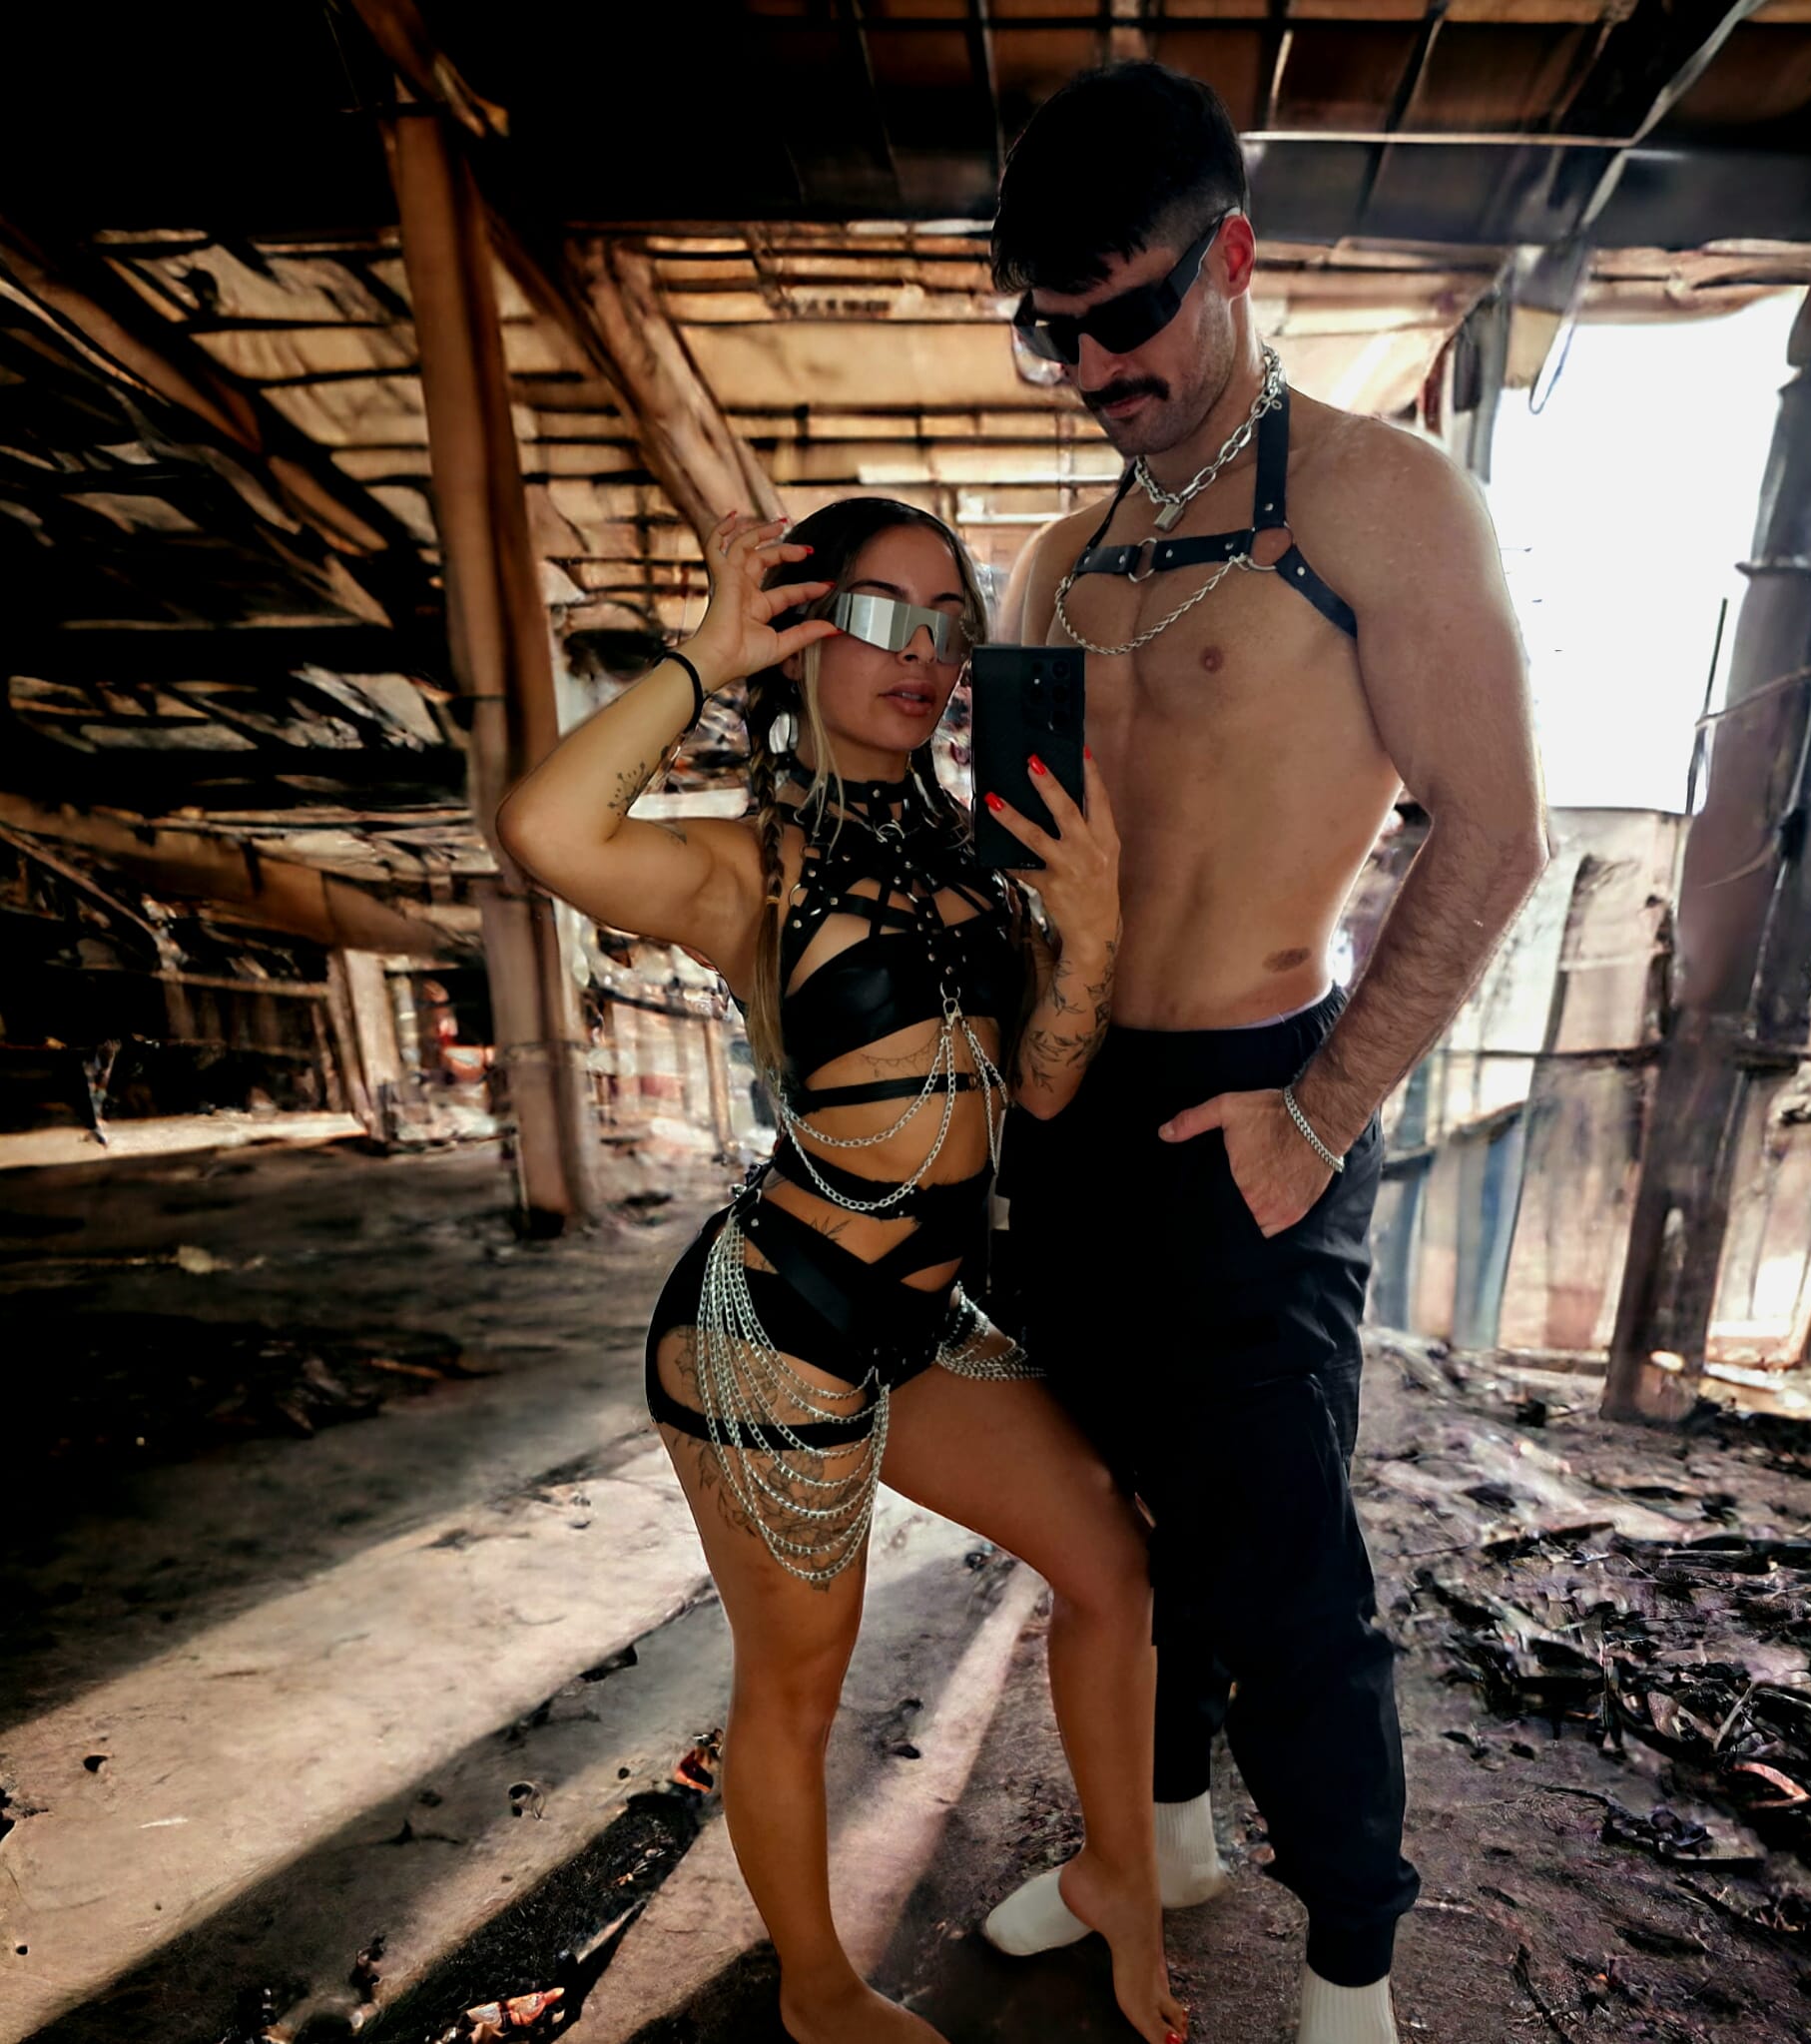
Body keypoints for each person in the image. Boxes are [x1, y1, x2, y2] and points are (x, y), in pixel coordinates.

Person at [980, 63, 1549, 2044]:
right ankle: (1158, 1844)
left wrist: (1319, 1115)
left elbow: (1494, 833)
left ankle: (1353, 1962)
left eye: (1125, 314)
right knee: (1115, 1536)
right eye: (1049, 332)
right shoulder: (1055, 562)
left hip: (1260, 1097)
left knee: (1286, 1569)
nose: (1089, 369)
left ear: (1229, 257)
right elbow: (1022, 869)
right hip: (1070, 1112)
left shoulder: (1381, 501)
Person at [498, 498, 1187, 2044]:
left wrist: (1088, 935)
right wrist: (705, 649)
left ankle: (1119, 1882)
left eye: (948, 628)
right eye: (879, 615)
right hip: (778, 1320)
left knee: (1116, 1570)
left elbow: (1044, 1090)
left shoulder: (980, 858)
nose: (922, 656)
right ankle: (816, 1992)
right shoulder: (754, 865)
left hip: (924, 1316)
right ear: (806, 634)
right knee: (800, 1683)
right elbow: (544, 831)